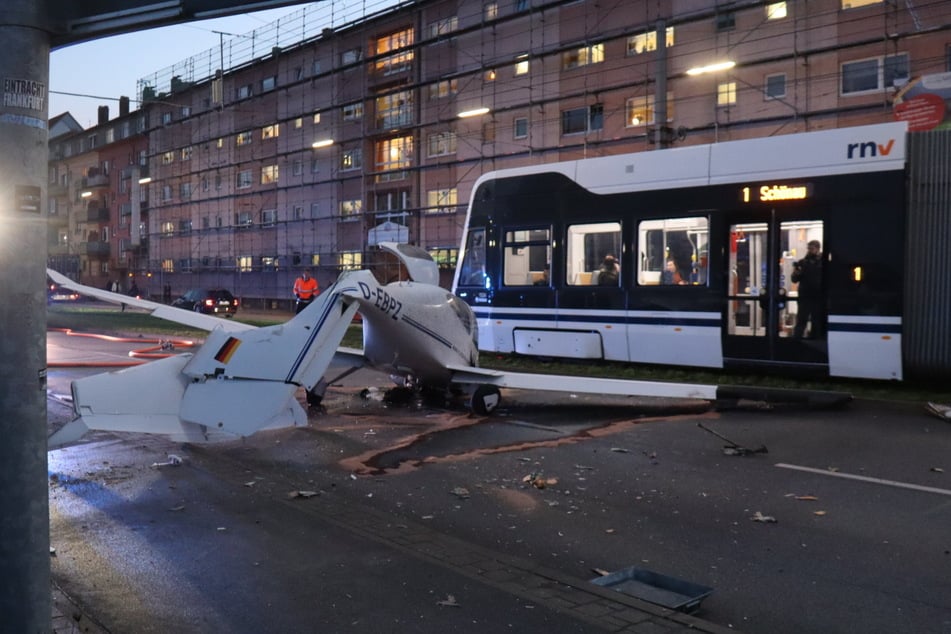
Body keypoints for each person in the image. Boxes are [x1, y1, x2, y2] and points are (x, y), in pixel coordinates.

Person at [792, 239, 823, 338]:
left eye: (812, 249)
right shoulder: (803, 262)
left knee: (816, 320)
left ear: (818, 249)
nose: (809, 251)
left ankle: (815, 338)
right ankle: (798, 339)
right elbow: (794, 279)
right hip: (805, 296)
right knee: (801, 319)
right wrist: (797, 272)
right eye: (809, 249)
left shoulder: (822, 262)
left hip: (817, 296)